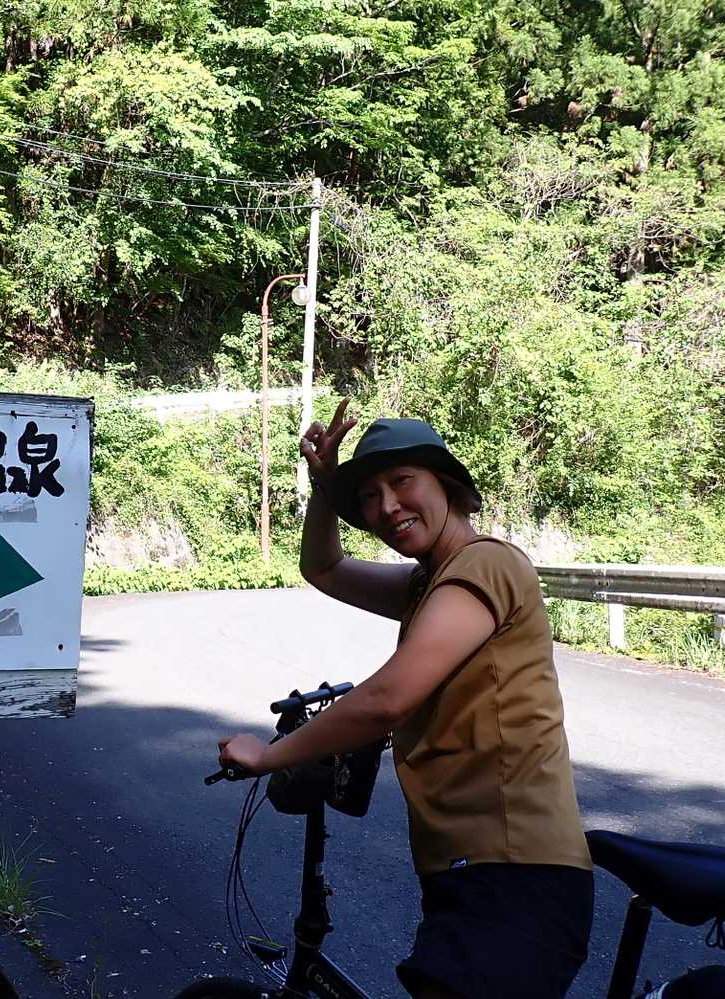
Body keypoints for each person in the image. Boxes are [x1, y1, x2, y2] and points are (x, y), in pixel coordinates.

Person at [216, 399, 593, 998]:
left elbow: (387, 699)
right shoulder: (429, 583)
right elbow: (325, 568)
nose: (387, 506)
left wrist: (268, 756)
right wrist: (325, 488)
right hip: (472, 869)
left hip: (514, 870)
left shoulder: (484, 565)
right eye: (369, 495)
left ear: (445, 483)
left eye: (401, 481)